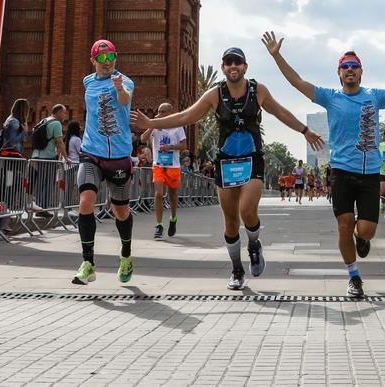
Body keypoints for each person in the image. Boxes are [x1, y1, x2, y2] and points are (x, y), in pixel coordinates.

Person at [264, 32, 385, 299]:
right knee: (344, 224)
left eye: (354, 67)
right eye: (345, 67)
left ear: (361, 72)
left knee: (365, 229)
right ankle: (354, 275)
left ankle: (362, 237)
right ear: (339, 73)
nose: (349, 71)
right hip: (342, 172)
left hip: (369, 174)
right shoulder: (329, 96)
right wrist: (277, 55)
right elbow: (297, 82)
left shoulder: (375, 96)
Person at [132, 46, 322, 290]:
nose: (233, 66)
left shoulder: (258, 90)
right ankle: (236, 269)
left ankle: (254, 244)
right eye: (228, 62)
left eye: (238, 62)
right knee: (230, 221)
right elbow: (185, 117)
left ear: (245, 66)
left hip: (252, 159)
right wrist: (151, 123)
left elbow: (281, 112)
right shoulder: (214, 94)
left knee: (247, 210)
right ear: (223, 67)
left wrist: (304, 131)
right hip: (226, 162)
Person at [71, 40, 139, 285]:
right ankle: (88, 263)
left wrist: (119, 89)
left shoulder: (124, 81)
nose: (107, 61)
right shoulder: (87, 82)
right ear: (93, 60)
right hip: (91, 152)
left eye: (111, 56)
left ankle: (126, 255)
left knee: (120, 211)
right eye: (101, 58)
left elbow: (124, 100)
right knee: (86, 201)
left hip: (119, 156)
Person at [142, 102, 187, 239]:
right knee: (158, 194)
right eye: (159, 111)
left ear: (170, 113)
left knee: (172, 196)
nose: (159, 114)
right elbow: (143, 138)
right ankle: (159, 224)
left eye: (162, 112)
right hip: (159, 165)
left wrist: (171, 147)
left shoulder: (177, 127)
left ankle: (173, 219)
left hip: (173, 165)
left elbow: (184, 145)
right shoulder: (155, 126)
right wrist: (151, 124)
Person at [29, 104, 67, 213]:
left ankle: (38, 206)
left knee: (41, 182)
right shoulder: (56, 123)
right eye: (64, 112)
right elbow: (59, 142)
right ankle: (43, 208)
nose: (65, 115)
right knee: (49, 182)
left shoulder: (44, 120)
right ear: (59, 112)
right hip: (48, 157)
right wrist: (66, 157)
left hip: (37, 155)